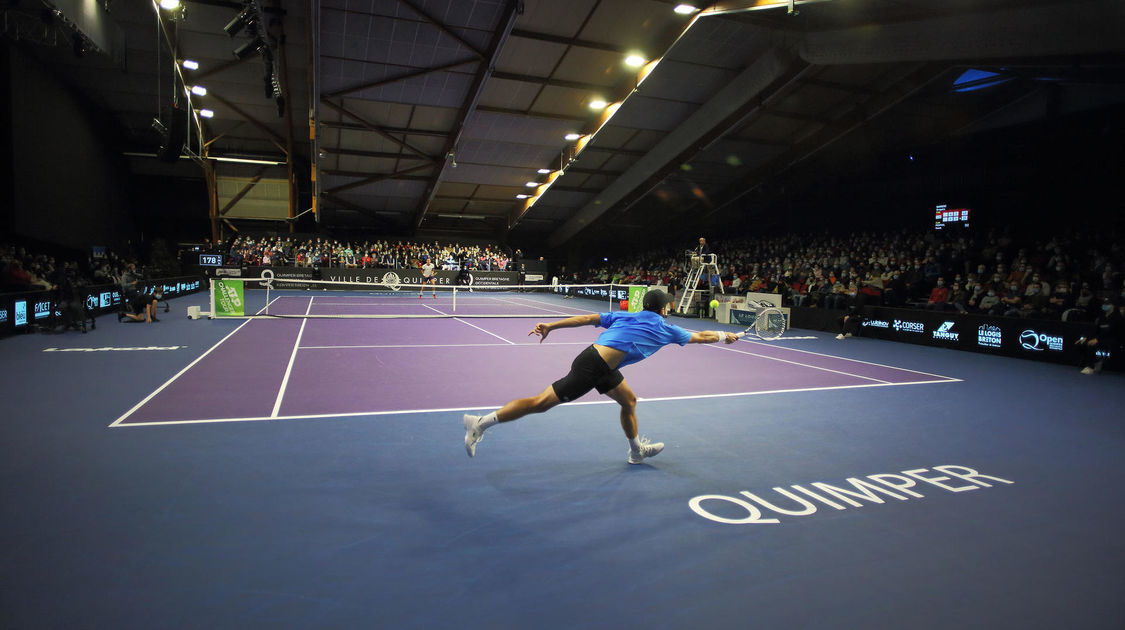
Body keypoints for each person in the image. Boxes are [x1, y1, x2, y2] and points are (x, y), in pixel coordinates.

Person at [462, 290, 739, 464]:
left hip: (597, 362)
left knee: (628, 401)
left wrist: (551, 326)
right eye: (667, 305)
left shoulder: (625, 315)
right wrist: (726, 335)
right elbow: (701, 336)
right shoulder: (666, 329)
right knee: (540, 403)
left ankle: (635, 451)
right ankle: (481, 423)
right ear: (663, 309)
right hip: (591, 368)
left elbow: (585, 320)